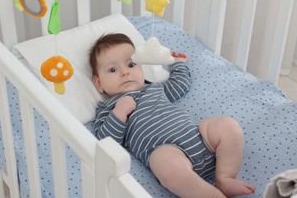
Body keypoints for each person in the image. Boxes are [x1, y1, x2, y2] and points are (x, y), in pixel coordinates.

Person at [89, 33, 255, 198]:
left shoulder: (154, 88)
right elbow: (106, 140)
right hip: (166, 151)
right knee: (169, 169)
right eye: (113, 70)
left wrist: (179, 64)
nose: (124, 73)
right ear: (98, 83)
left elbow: (180, 85)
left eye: (131, 64)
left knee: (228, 126)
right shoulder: (107, 109)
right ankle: (211, 194)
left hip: (199, 136)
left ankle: (224, 177)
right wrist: (119, 112)